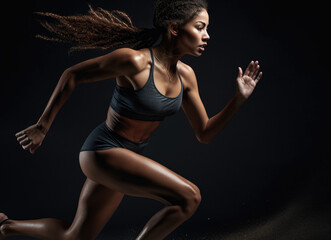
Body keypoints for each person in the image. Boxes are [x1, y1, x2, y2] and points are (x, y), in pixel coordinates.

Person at [0, 0, 262, 239]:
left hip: (127, 156)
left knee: (76, 236)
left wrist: (237, 100)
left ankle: (6, 226)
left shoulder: (187, 76)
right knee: (189, 197)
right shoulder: (135, 61)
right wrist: (42, 126)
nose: (206, 35)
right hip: (103, 151)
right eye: (200, 27)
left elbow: (204, 133)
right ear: (174, 28)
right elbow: (72, 75)